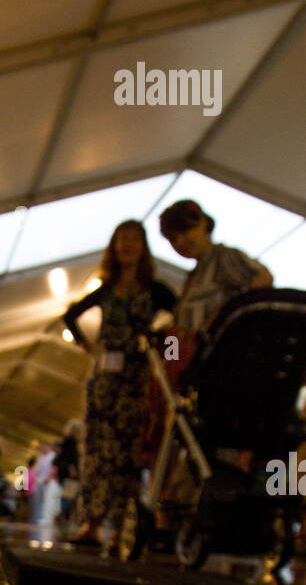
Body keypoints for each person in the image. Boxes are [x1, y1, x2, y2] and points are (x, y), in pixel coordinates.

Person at [63, 220, 176, 552]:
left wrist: (166, 353)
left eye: (133, 240)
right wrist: (88, 346)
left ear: (143, 247)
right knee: (97, 450)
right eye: (121, 240)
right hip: (103, 381)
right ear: (113, 247)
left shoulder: (156, 290)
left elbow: (177, 318)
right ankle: (93, 523)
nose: (127, 246)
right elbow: (70, 315)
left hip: (135, 380)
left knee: (126, 452)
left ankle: (120, 526)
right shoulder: (107, 289)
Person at [159, 199, 272, 340]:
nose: (180, 242)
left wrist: (220, 318)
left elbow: (265, 278)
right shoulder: (194, 275)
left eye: (185, 230)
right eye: (173, 238)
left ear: (203, 223)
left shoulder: (224, 256)